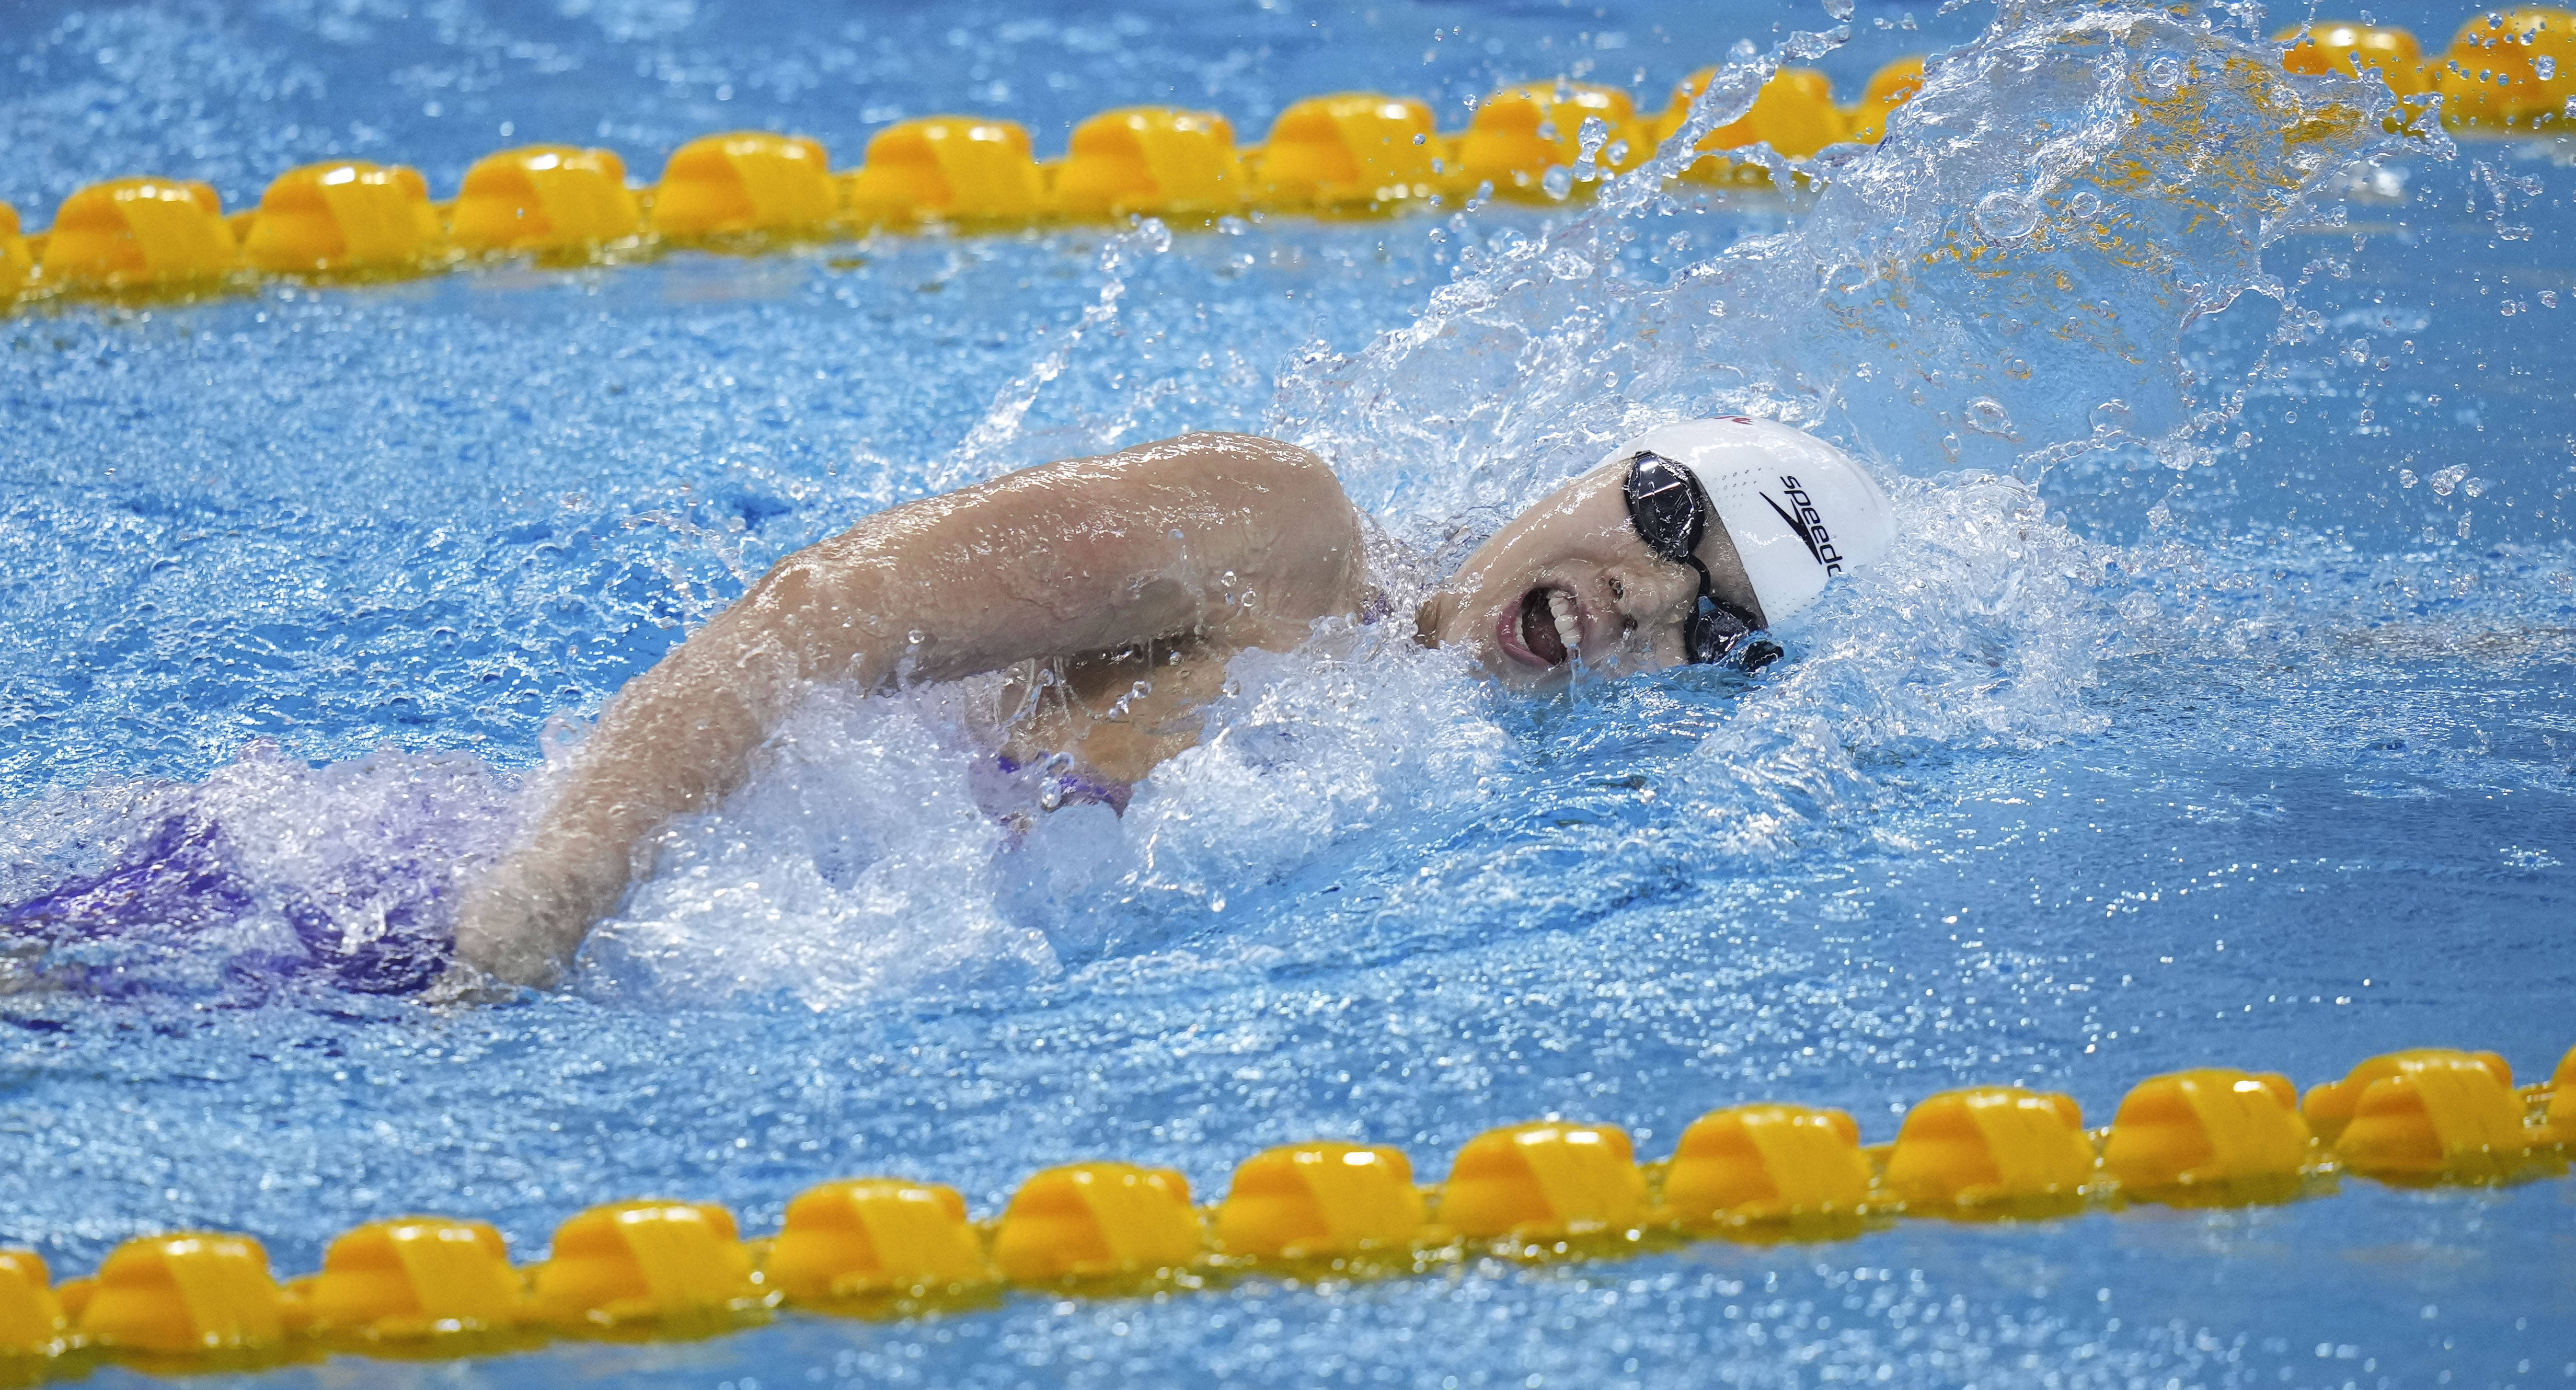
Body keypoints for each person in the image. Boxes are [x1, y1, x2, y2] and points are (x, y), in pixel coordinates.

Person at [450, 416, 1893, 987]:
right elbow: (826, 613)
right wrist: (564, 878)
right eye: (1664, 516)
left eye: (1718, 626)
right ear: (1603, 463)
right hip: (473, 900)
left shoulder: (1493, 806)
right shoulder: (1279, 536)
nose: (1650, 593)